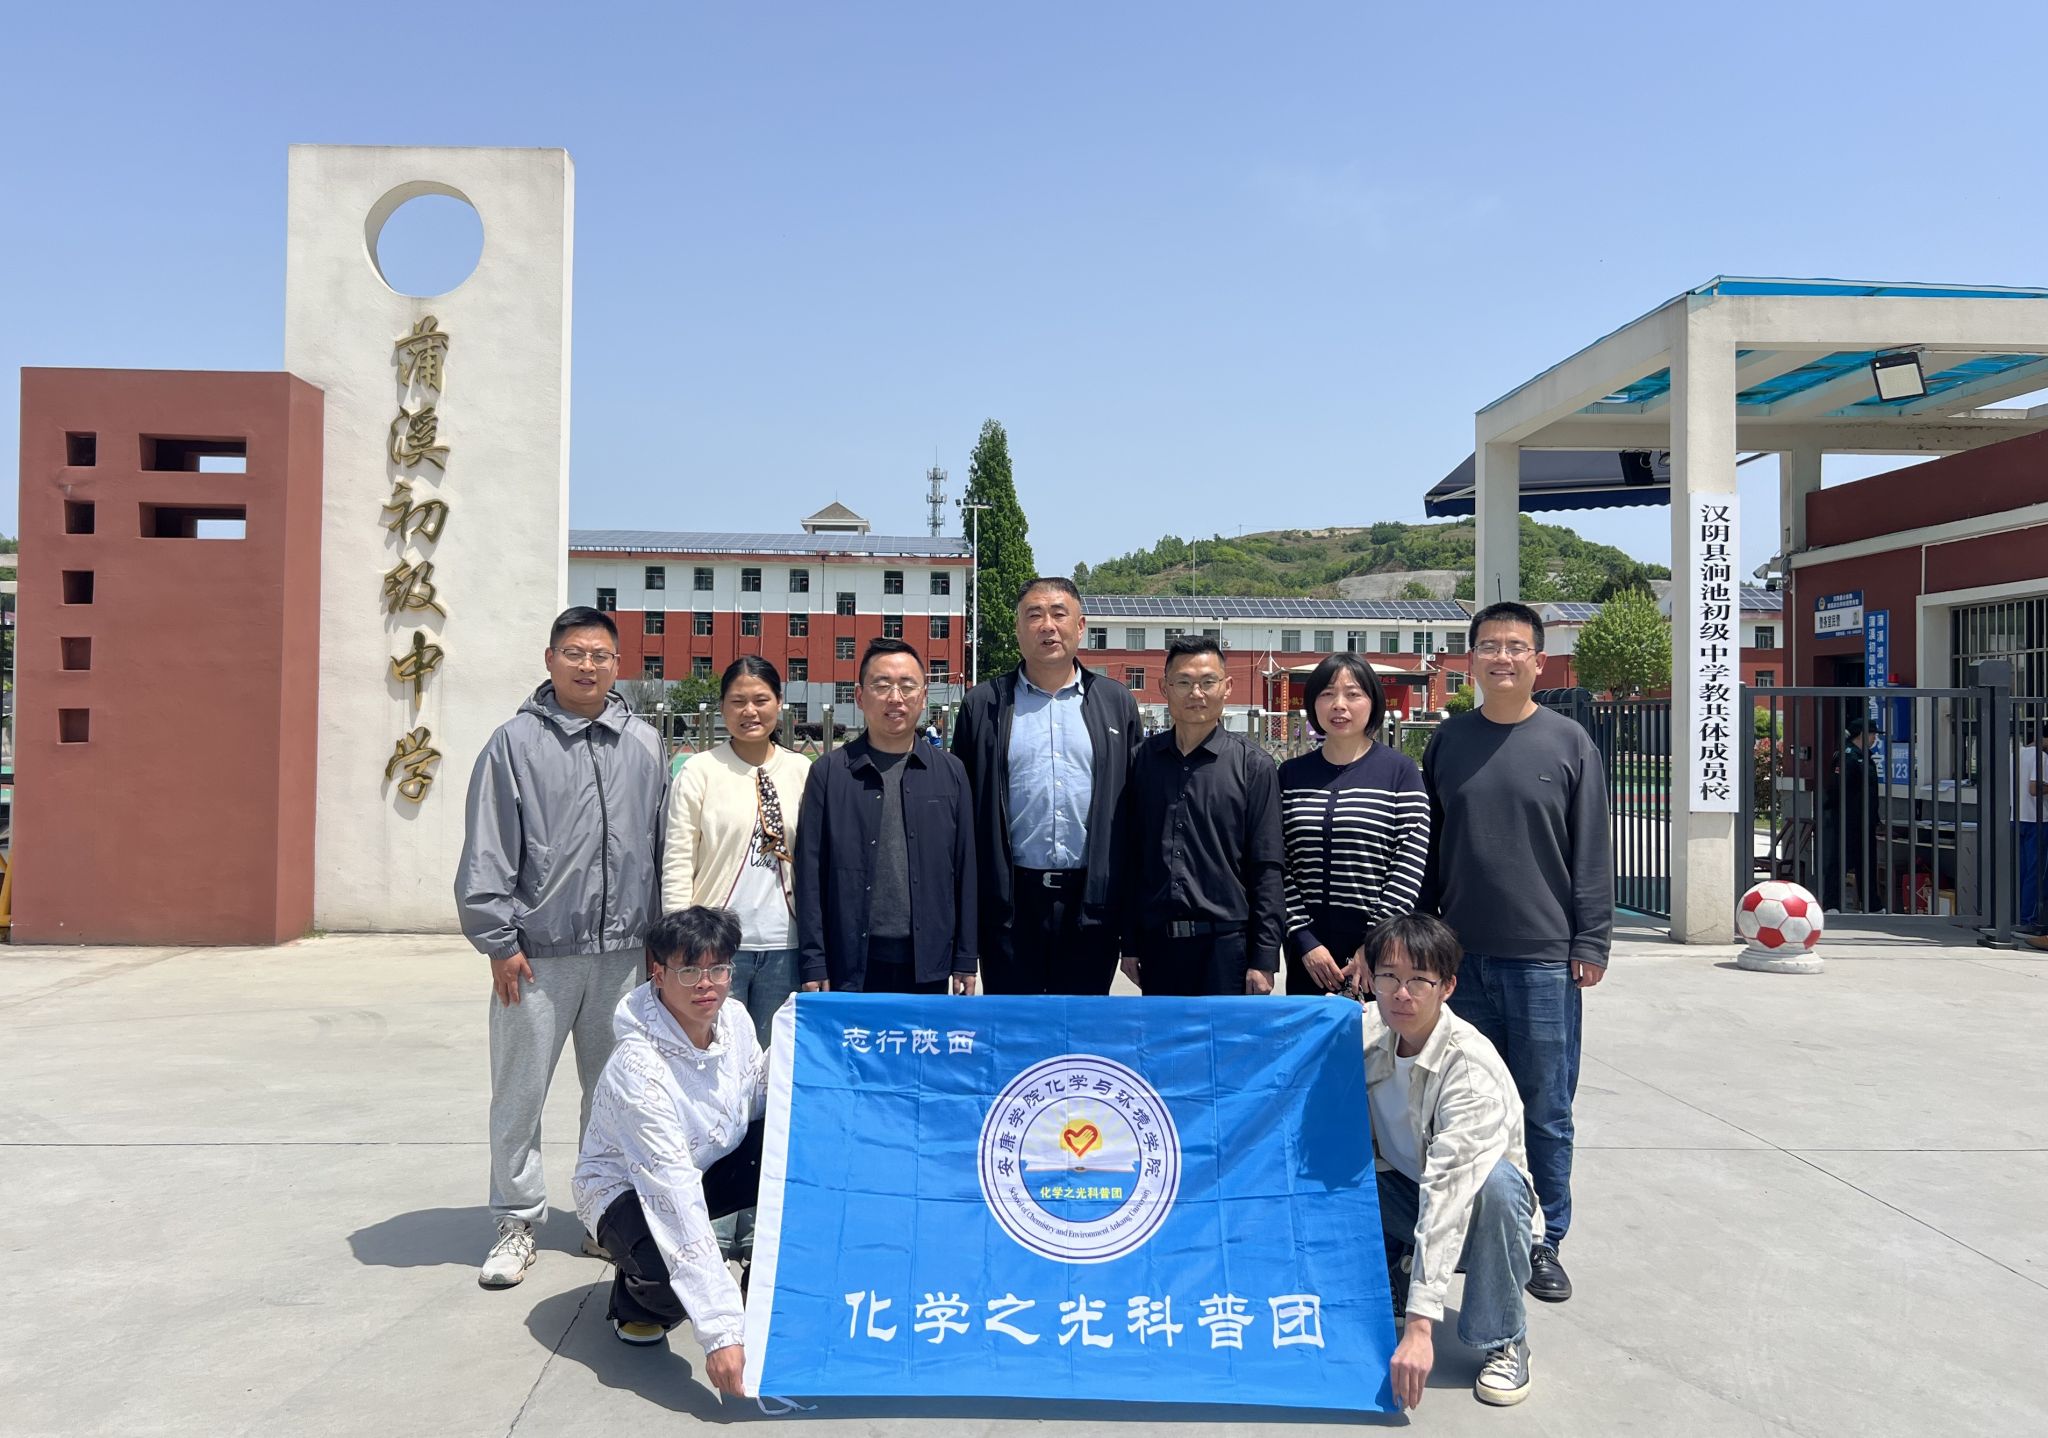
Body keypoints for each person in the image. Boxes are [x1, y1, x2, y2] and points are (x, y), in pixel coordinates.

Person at [456, 605, 668, 1289]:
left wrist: (660, 941)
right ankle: (516, 1221)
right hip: (536, 954)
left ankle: (601, 1217)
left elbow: (662, 846)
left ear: (618, 665)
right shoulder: (514, 743)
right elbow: (488, 845)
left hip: (625, 953)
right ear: (550, 659)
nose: (587, 666)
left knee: (614, 1095)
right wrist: (498, 941)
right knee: (519, 1094)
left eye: (600, 655)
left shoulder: (644, 742)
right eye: (574, 653)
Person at [1421, 601, 1611, 1305]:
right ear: (1470, 658)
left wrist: (1590, 940)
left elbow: (1592, 849)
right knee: (1463, 1105)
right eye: (1489, 646)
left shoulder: (1569, 743)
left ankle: (1544, 1239)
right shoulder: (1448, 742)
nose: (1502, 658)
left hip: (1543, 960)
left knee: (1544, 1107)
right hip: (1460, 961)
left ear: (1539, 660)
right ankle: (1473, 1231)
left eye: (1515, 647)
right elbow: (1431, 851)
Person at [571, 906, 766, 1397]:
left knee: (792, 1145)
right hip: (626, 1189)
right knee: (671, 1285)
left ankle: (765, 1284)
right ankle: (635, 1297)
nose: (706, 984)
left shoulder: (735, 1019)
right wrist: (721, 1332)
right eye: (689, 970)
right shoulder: (638, 1069)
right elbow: (672, 1191)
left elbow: (759, 1094)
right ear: (658, 973)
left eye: (718, 968)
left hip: (705, 1163)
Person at [661, 656, 809, 1281]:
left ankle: (760, 1223)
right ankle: (718, 1225)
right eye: (738, 700)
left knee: (772, 1089)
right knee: (716, 1091)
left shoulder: (803, 771)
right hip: (717, 955)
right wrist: (679, 950)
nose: (750, 711)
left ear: (780, 704)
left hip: (787, 947)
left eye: (761, 699)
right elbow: (677, 859)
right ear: (722, 708)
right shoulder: (699, 771)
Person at [1367, 913, 1540, 1410]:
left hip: (1476, 1215)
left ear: (1447, 987)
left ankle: (1504, 1336)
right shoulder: (1368, 1031)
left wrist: (1421, 1327)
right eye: (1388, 976)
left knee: (1498, 1185)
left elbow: (1448, 1192)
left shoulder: (1468, 1067)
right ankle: (1393, 1272)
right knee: (1332, 1164)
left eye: (1419, 980)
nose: (1402, 994)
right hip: (1405, 1192)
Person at [952, 577, 1142, 995]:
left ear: (1080, 626)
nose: (1047, 626)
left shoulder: (1116, 703)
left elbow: (1133, 813)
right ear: (1018, 629)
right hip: (1010, 904)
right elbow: (961, 812)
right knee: (1014, 1025)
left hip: (1091, 904)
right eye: (1034, 615)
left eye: (1059, 614)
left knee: (1081, 1026)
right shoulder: (983, 705)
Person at [793, 638, 978, 993]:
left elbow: (966, 868)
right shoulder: (829, 773)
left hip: (929, 963)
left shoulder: (951, 772)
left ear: (923, 696)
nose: (895, 697)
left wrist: (966, 957)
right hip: (850, 964)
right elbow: (810, 874)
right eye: (882, 685)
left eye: (907, 686)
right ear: (860, 697)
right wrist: (813, 959)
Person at [1119, 635, 1284, 996]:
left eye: (1208, 682)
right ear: (1164, 687)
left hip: (1226, 949)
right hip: (1157, 947)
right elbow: (1130, 858)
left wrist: (1264, 957)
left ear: (1227, 687)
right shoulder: (1140, 761)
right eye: (1184, 682)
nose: (1196, 693)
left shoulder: (1253, 766)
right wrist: (1128, 942)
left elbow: (1267, 867)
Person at [1278, 653, 1430, 997]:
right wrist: (1304, 939)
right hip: (1308, 953)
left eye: (1353, 694)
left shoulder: (1400, 773)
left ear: (1373, 701)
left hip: (1380, 951)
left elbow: (1408, 864)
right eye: (1327, 694)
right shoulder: (1291, 774)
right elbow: (1278, 862)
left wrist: (1372, 945)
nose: (1339, 705)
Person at [1821, 718, 1884, 912]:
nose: (1874, 738)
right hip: (1848, 820)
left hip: (1865, 820)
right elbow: (1837, 789)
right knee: (1840, 861)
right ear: (1862, 734)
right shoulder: (1847, 756)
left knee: (1867, 862)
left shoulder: (1865, 756)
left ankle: (1871, 904)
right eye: (1872, 734)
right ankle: (1831, 903)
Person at [2019, 723, 2047, 929]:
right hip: (2037, 820)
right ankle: (2028, 919)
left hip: (2015, 818)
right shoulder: (2042, 757)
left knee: (2019, 870)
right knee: (2036, 873)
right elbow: (2034, 789)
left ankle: (2012, 917)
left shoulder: (2016, 754)